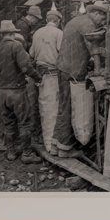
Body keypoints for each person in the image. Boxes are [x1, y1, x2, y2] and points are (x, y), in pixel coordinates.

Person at [0, 20, 42, 163]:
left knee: (9, 123)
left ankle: (11, 152)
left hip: (3, 92)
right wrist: (38, 78)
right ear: (13, 33)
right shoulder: (16, 46)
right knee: (24, 122)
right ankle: (27, 154)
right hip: (17, 91)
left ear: (2, 34)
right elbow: (26, 67)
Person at [30, 9, 77, 157]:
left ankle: (48, 142)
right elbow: (63, 55)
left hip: (40, 74)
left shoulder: (37, 33)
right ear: (58, 21)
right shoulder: (59, 33)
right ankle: (51, 145)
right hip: (53, 74)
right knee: (53, 109)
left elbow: (31, 54)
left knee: (44, 107)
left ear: (46, 20)